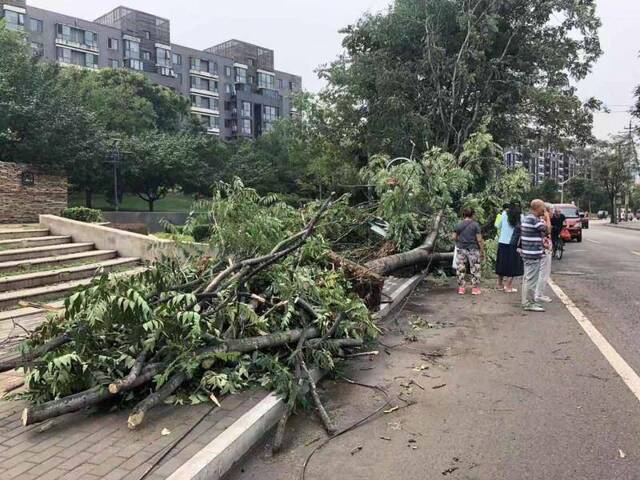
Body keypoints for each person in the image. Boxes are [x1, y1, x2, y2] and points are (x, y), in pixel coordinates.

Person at [519, 199, 548, 312]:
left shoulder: (529, 218)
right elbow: (547, 230)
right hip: (532, 254)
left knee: (528, 279)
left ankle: (528, 301)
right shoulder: (533, 219)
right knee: (531, 280)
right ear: (537, 208)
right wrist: (547, 217)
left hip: (528, 253)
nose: (544, 210)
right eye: (543, 208)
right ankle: (528, 303)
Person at [454, 207, 485, 295]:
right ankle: (475, 289)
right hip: (473, 249)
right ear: (473, 215)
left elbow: (453, 236)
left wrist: (458, 241)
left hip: (461, 248)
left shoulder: (459, 224)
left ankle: (461, 288)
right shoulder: (475, 225)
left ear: (464, 214)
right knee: (475, 268)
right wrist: (482, 251)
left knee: (460, 268)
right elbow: (479, 239)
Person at [495, 203, 524, 293]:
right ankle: (508, 286)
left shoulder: (503, 214)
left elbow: (497, 225)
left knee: (501, 263)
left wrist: (499, 215)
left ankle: (499, 285)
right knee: (513, 264)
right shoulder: (521, 216)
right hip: (514, 243)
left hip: (502, 242)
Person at [534, 203, 554, 304]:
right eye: (551, 211)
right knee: (543, 273)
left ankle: (539, 293)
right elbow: (548, 231)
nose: (552, 213)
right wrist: (547, 218)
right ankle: (538, 294)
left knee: (544, 273)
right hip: (543, 250)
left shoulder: (541, 221)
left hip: (545, 249)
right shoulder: (542, 221)